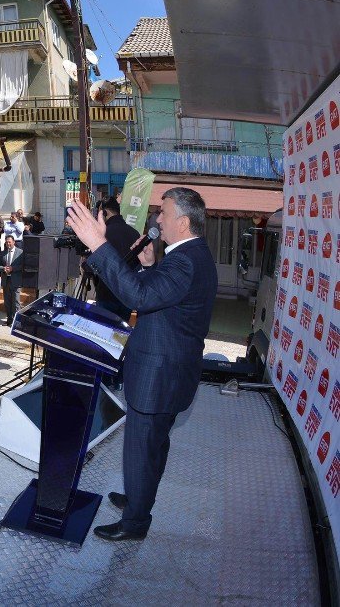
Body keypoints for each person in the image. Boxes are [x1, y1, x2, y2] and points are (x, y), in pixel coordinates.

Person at [66, 187, 217, 542]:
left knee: (141, 448)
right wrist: (149, 265)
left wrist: (99, 246)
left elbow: (137, 297)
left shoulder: (185, 260)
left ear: (182, 221)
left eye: (162, 213)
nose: (157, 220)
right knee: (152, 447)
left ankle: (134, 523)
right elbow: (161, 296)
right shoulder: (191, 256)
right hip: (170, 372)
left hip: (159, 375)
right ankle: (138, 499)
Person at [90, 199, 141, 322]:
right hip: (127, 294)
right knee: (120, 334)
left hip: (106, 292)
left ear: (105, 213)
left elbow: (93, 264)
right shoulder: (134, 233)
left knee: (103, 330)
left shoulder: (102, 234)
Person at [0, 235, 23, 325]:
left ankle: (16, 321)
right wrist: (3, 268)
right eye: (7, 242)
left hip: (16, 281)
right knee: (7, 302)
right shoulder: (2, 253)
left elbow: (23, 266)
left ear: (14, 242)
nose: (8, 244)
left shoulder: (20, 252)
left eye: (9, 242)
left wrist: (13, 268)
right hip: (6, 280)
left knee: (16, 302)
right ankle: (9, 320)